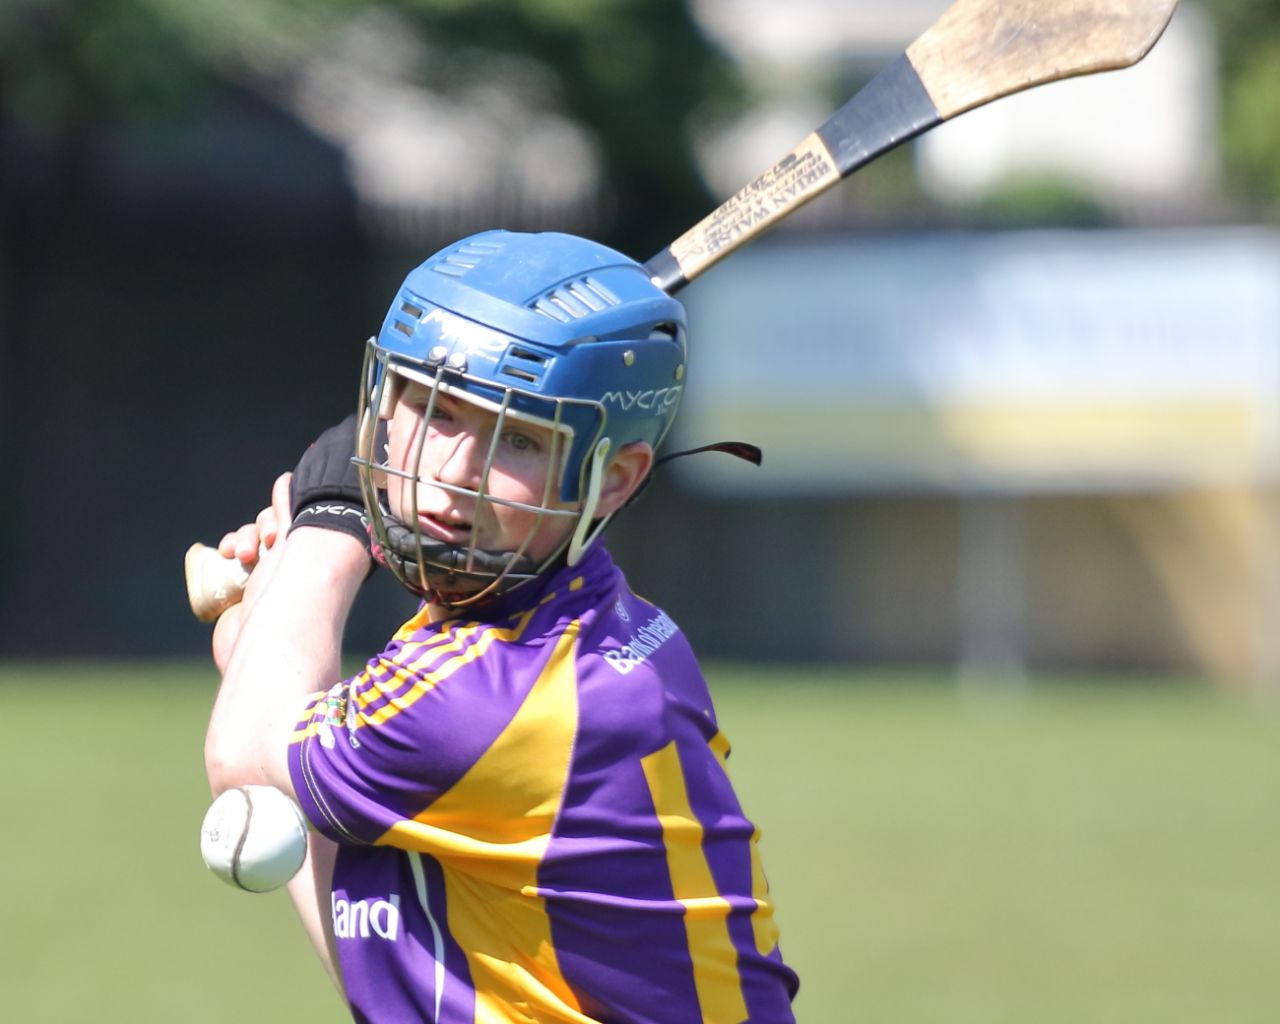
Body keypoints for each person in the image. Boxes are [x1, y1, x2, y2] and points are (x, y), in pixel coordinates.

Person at [204, 229, 799, 1023]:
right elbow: (391, 961)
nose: (450, 478)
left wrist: (328, 524)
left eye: (517, 439)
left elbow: (244, 757)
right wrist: (263, 639)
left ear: (613, 478)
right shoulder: (594, 627)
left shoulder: (495, 698)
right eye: (434, 410)